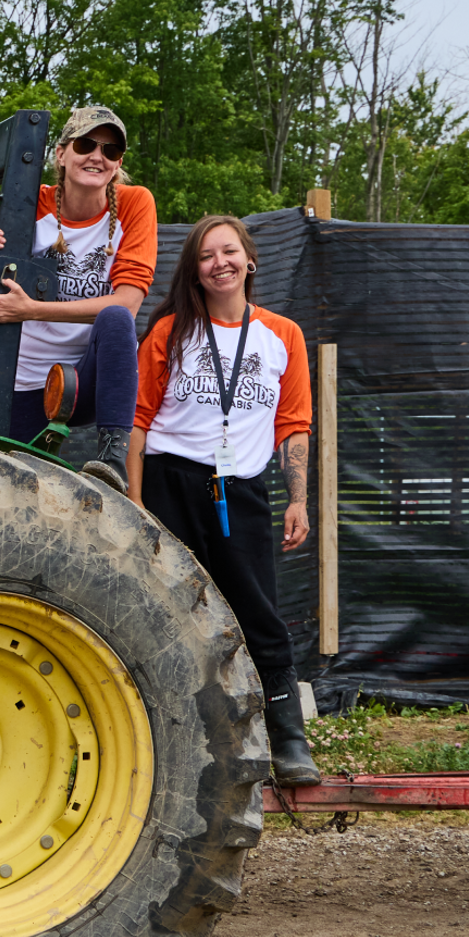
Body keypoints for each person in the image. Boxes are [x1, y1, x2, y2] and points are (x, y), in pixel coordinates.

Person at [129, 215, 319, 786]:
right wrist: (137, 503)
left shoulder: (282, 335)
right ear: (195, 270)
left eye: (229, 252)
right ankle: (168, 741)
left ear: (249, 260)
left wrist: (298, 500)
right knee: (169, 608)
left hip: (240, 487)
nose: (220, 263)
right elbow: (138, 422)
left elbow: (294, 424)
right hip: (171, 480)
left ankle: (288, 740)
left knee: (256, 610)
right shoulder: (169, 332)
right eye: (207, 256)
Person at [0, 105, 158, 492]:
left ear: (117, 163)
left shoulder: (135, 204)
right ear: (61, 153)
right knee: (0, 489)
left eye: (109, 151)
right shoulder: (30, 200)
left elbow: (127, 302)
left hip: (85, 379)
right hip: (26, 382)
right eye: (86, 144)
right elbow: (1, 285)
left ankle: (111, 460)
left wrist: (33, 310)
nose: (97, 156)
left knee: (116, 318)